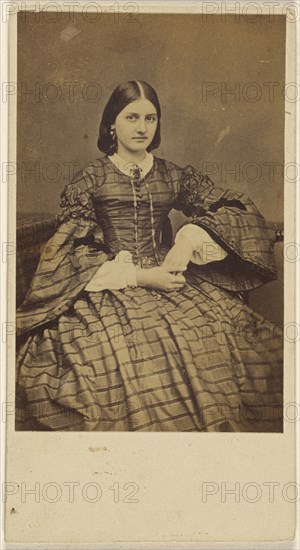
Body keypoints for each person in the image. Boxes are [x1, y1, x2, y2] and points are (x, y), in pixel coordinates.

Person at [16, 80, 283, 432]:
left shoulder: (173, 174)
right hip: (110, 284)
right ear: (112, 123)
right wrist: (140, 277)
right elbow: (73, 250)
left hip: (173, 281)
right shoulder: (90, 179)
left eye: (150, 118)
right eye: (132, 117)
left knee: (239, 349)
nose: (142, 127)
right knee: (114, 364)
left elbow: (236, 208)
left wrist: (186, 242)